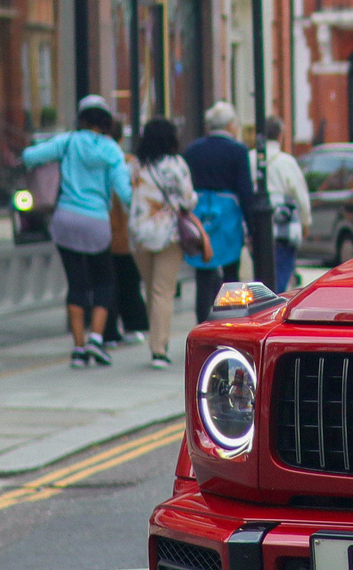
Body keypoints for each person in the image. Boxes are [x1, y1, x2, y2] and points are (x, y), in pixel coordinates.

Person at [23, 97, 133, 368]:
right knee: (104, 281)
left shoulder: (68, 141)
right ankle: (96, 338)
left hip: (66, 219)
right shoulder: (111, 150)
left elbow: (29, 157)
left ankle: (78, 348)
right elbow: (125, 191)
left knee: (77, 283)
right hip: (97, 222)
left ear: (81, 118)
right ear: (106, 121)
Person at [126, 117, 197, 368]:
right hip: (168, 235)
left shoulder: (135, 166)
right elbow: (188, 200)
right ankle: (159, 349)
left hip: (139, 235)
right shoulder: (176, 165)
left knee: (150, 290)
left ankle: (154, 342)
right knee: (162, 291)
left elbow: (128, 195)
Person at [184, 102, 252, 320]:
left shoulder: (192, 150)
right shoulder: (238, 151)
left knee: (203, 271)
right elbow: (245, 191)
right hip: (228, 214)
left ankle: (202, 321)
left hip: (200, 213)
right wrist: (251, 227)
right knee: (231, 271)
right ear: (231, 125)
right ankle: (230, 319)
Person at [260, 116, 310, 292]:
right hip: (284, 229)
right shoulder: (287, 162)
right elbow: (301, 195)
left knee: (261, 278)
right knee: (281, 275)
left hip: (258, 231)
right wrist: (306, 222)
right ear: (280, 136)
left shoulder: (251, 159)